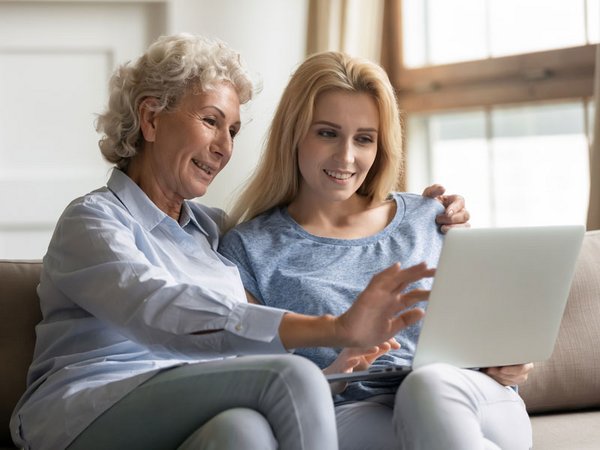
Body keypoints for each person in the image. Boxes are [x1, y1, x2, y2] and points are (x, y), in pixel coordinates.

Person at [8, 34, 462, 450]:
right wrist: (333, 328)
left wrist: (336, 372)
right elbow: (160, 310)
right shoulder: (92, 220)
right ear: (149, 118)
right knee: (292, 377)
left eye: (233, 131)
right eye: (211, 121)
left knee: (243, 431)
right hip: (89, 409)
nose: (224, 146)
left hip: (188, 401)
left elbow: (241, 350)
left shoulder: (213, 232)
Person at [219, 51, 534, 449]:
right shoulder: (248, 249)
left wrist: (506, 360)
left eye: (364, 138)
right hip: (353, 413)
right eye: (327, 133)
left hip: (470, 398)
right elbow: (254, 384)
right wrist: (338, 369)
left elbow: (488, 329)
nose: (346, 157)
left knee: (428, 385)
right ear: (294, 133)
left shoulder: (429, 217)